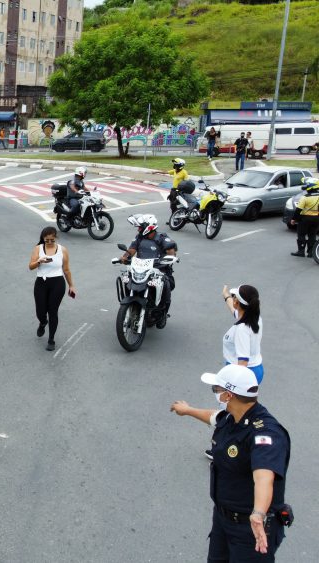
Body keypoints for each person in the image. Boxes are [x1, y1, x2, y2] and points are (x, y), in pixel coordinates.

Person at [170, 364, 291, 561]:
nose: (214, 393)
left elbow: (264, 477)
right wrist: (187, 410)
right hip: (223, 519)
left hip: (250, 530)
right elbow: (213, 417)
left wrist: (258, 514)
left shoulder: (265, 433)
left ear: (228, 396)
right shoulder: (232, 417)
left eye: (216, 389)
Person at [119, 214, 177, 318]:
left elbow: (171, 252)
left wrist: (170, 258)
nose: (138, 230)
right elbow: (132, 250)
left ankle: (162, 313)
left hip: (159, 271)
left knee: (166, 284)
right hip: (141, 269)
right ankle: (130, 302)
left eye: (140, 228)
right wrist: (124, 257)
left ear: (148, 227)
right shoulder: (139, 238)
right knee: (126, 279)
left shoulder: (162, 238)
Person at [29, 227, 77, 351]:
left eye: (52, 240)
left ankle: (51, 339)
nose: (49, 242)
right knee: (40, 311)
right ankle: (43, 322)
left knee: (53, 311)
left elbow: (66, 270)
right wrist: (39, 261)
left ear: (56, 237)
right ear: (43, 239)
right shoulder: (38, 249)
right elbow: (30, 266)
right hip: (41, 282)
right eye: (47, 240)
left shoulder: (63, 250)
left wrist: (71, 285)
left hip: (57, 283)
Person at [221, 284, 263, 384]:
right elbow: (235, 311)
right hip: (255, 369)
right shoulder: (255, 318)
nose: (233, 298)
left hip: (242, 374)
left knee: (231, 400)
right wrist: (226, 296)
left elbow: (243, 362)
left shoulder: (241, 329)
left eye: (234, 296)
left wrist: (234, 384)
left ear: (236, 302)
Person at [289, 177, 319, 257]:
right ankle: (311, 253)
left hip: (305, 219)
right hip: (316, 219)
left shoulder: (305, 197)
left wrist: (293, 219)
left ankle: (301, 252)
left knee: (301, 235)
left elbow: (298, 210)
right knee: (312, 235)